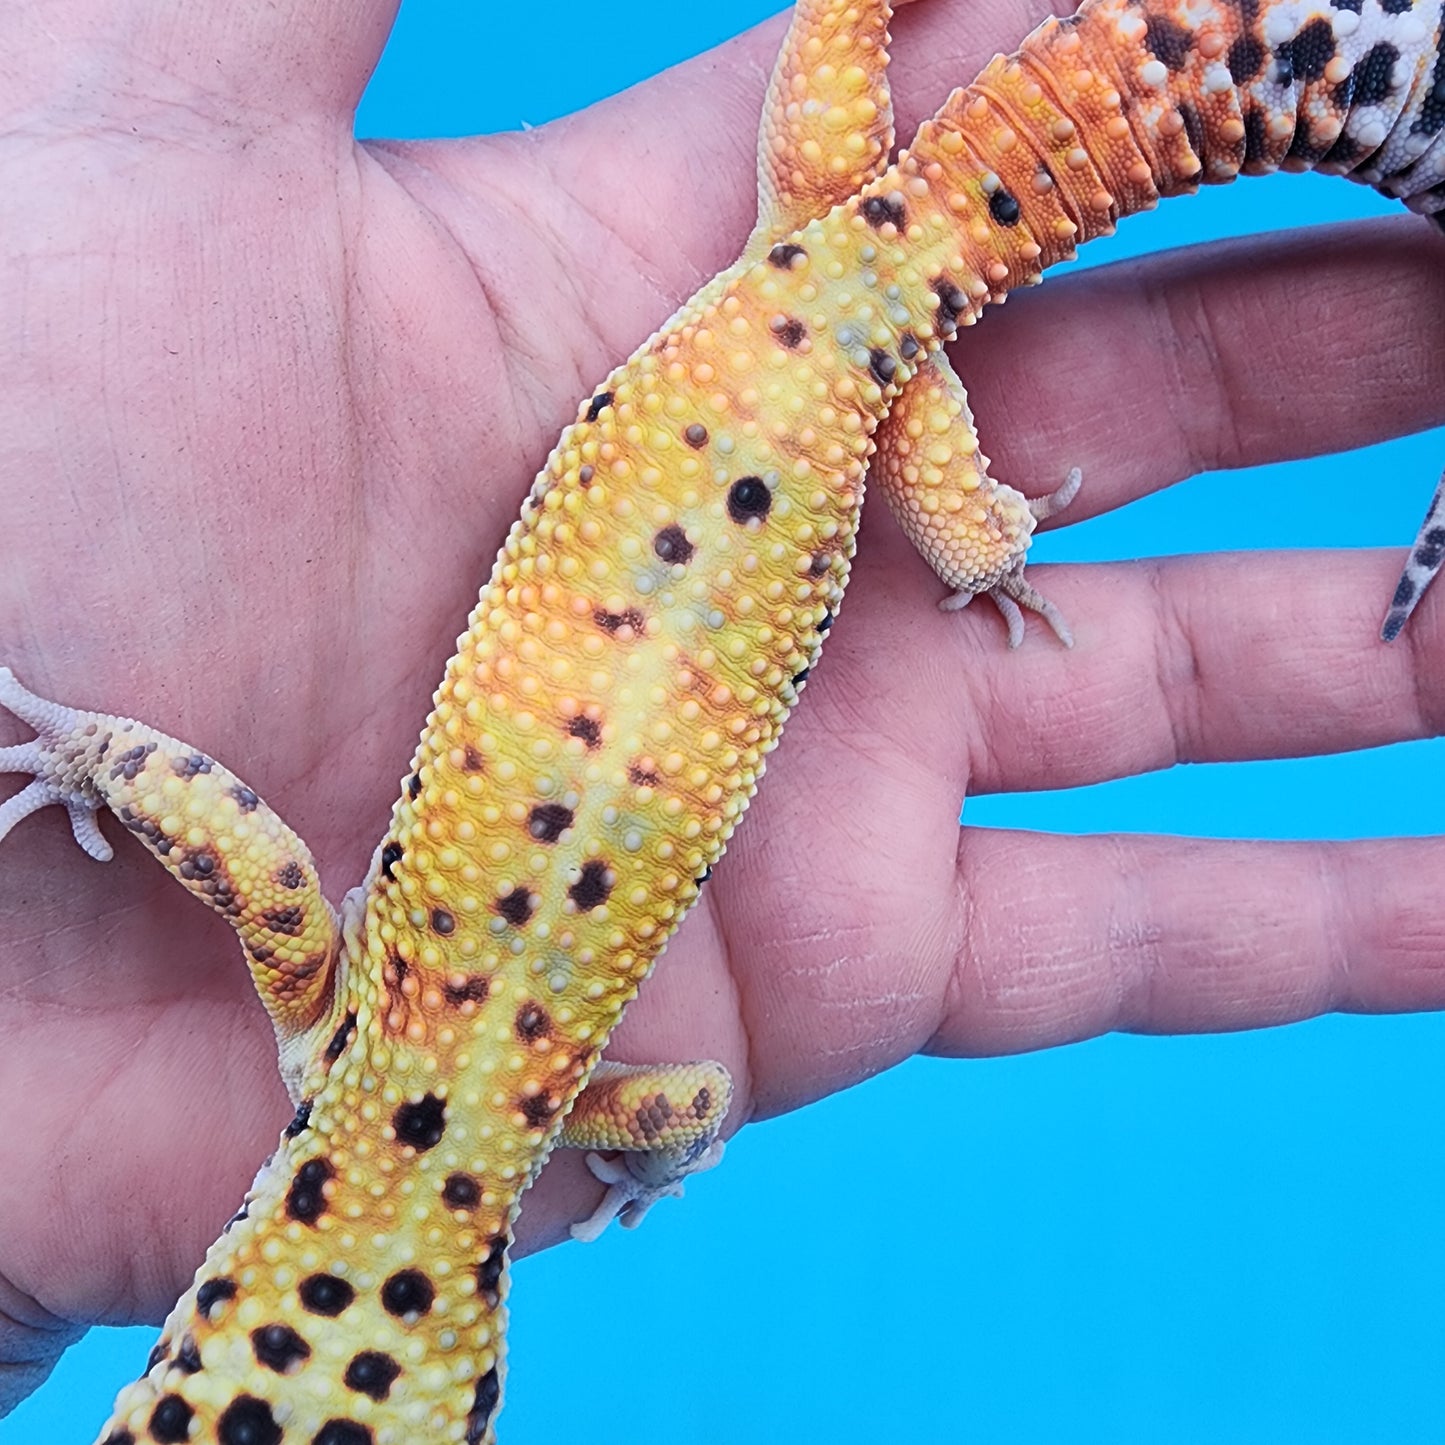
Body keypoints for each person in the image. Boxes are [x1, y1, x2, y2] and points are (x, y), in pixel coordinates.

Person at [1, 0, 1441, 1415]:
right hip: (816, 303)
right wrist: (83, 752)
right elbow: (244, 853)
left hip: (860, 371)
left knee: (969, 542)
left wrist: (647, 1164)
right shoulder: (338, 1032)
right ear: (208, 1309)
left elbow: (687, 1107)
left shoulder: (577, 1105)